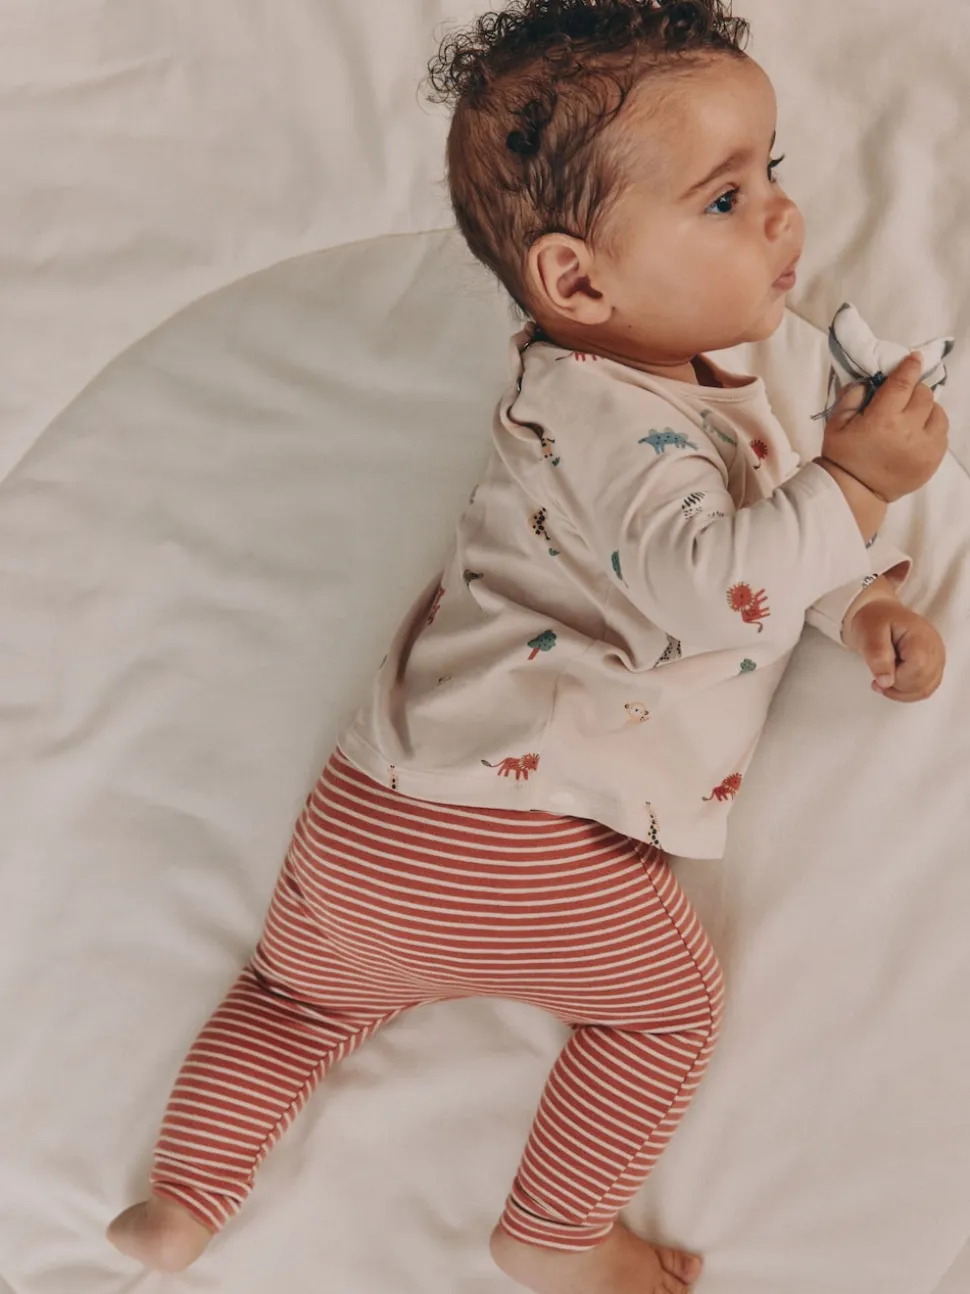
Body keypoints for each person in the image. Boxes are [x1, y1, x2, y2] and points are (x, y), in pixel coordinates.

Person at [107, 2, 949, 1290]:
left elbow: (755, 558)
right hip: (530, 833)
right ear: (577, 281)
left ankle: (182, 1202)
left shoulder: (645, 396)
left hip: (377, 820)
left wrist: (862, 603)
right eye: (725, 200)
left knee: (296, 996)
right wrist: (858, 483)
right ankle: (553, 1233)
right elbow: (715, 584)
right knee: (665, 1009)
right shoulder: (615, 427)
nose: (783, 215)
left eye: (771, 170)